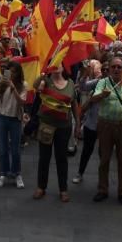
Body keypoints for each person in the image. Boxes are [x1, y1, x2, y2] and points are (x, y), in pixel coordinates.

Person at [91, 56, 122, 206]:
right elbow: (94, 99)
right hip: (106, 125)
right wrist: (102, 95)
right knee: (104, 159)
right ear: (109, 69)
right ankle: (102, 189)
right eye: (113, 67)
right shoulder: (103, 83)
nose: (116, 69)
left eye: (119, 67)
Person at [33, 66, 80, 203]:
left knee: (62, 158)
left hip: (64, 126)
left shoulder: (70, 83)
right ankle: (41, 187)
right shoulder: (45, 81)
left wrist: (77, 123)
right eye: (54, 63)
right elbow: (36, 86)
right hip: (46, 125)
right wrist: (42, 76)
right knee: (44, 157)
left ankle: (63, 189)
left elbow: (74, 104)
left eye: (60, 63)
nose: (57, 66)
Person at [0, 61, 27, 188]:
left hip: (15, 119)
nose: (11, 74)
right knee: (3, 148)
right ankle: (3, 173)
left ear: (18, 73)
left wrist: (13, 87)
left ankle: (17, 174)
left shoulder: (23, 85)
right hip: (2, 117)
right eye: (9, 71)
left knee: (15, 149)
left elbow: (22, 102)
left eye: (14, 72)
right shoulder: (2, 81)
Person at [72, 60, 108, 184]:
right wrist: (85, 74)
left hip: (106, 124)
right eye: (104, 70)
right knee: (87, 150)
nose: (105, 72)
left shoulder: (118, 86)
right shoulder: (98, 82)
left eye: (108, 70)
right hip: (92, 122)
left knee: (103, 152)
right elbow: (83, 86)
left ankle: (103, 179)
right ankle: (80, 173)